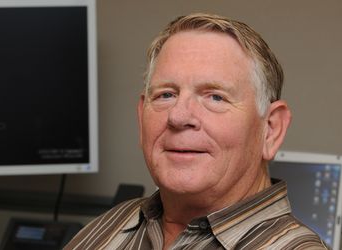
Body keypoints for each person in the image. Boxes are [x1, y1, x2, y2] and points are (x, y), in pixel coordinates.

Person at [65, 13, 328, 250]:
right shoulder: (107, 228)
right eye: (166, 94)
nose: (178, 117)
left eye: (215, 97)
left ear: (270, 129)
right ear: (141, 117)